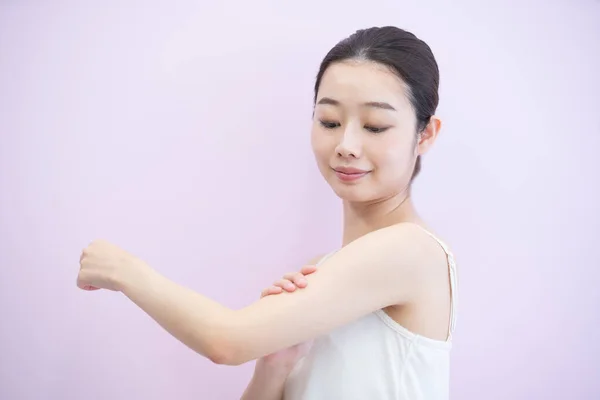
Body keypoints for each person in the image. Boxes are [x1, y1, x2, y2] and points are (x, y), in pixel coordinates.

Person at [77, 26, 458, 400]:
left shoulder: (410, 250)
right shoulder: (323, 268)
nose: (346, 145)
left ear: (425, 134)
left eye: (375, 126)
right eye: (329, 121)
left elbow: (225, 342)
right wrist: (275, 364)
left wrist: (122, 270)